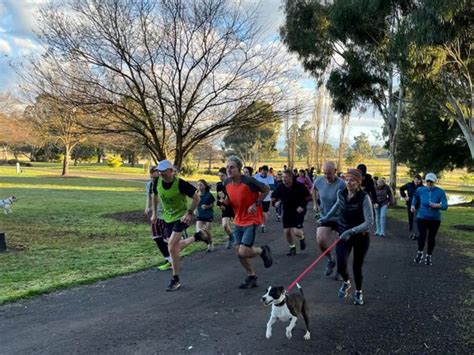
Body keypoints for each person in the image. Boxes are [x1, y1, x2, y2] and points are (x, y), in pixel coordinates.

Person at [151, 160, 211, 291]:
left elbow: (197, 198)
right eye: (159, 171)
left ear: (171, 171)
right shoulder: (157, 181)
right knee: (174, 248)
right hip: (167, 218)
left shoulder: (181, 184)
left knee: (171, 247)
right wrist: (154, 213)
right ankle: (197, 236)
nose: (161, 174)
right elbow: (154, 196)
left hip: (181, 216)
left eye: (164, 171)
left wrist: (189, 213)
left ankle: (175, 279)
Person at [319, 169, 373, 305]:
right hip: (343, 234)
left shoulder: (364, 197)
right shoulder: (341, 193)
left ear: (358, 182)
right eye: (347, 180)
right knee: (341, 265)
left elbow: (369, 222)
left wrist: (351, 231)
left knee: (357, 266)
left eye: (352, 180)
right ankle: (346, 282)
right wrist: (325, 217)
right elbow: (336, 206)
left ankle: (359, 292)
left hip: (360, 236)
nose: (348, 183)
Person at [219, 155, 273, 289]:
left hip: (251, 219)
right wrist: (224, 203)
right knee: (239, 252)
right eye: (227, 167)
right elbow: (231, 199)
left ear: (239, 169)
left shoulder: (249, 181)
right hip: (238, 220)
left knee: (243, 251)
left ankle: (262, 250)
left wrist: (256, 203)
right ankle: (251, 276)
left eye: (232, 167)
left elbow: (266, 189)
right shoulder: (226, 183)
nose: (229, 170)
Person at [313, 161, 346, 277]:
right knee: (321, 239)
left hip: (340, 217)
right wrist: (315, 203)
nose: (327, 176)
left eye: (329, 173)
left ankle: (341, 271)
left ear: (335, 171)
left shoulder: (342, 184)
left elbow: (338, 203)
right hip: (325, 215)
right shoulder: (319, 181)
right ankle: (330, 259)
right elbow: (314, 189)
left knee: (340, 244)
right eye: (325, 173)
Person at [271, 169, 311, 256]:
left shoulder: (299, 186)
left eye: (286, 177)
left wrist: (302, 206)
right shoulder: (280, 187)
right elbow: (273, 197)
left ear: (291, 177)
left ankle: (302, 238)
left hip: (298, 210)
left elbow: (308, 197)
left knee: (296, 231)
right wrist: (275, 203)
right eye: (282, 177)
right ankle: (292, 247)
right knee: (287, 232)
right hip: (287, 211)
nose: (283, 179)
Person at [411, 173, 448, 266]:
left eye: (431, 181)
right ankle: (420, 253)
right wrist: (412, 205)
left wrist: (438, 205)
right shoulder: (420, 189)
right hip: (422, 217)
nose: (429, 183)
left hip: (435, 219)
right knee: (421, 236)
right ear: (425, 181)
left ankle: (429, 256)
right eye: (427, 181)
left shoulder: (440, 192)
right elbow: (415, 197)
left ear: (435, 181)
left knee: (431, 238)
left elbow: (445, 206)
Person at [145, 166, 172, 271]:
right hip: (156, 215)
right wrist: (147, 207)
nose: (153, 180)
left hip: (166, 215)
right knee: (156, 237)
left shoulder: (164, 184)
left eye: (155, 178)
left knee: (167, 239)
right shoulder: (149, 184)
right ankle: (168, 259)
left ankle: (171, 259)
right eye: (151, 178)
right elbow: (149, 197)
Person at [400, 174, 423, 239]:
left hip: (418, 205)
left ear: (420, 180)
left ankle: (416, 234)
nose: (417, 181)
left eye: (418, 179)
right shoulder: (409, 185)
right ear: (413, 179)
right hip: (409, 204)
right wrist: (404, 196)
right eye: (415, 179)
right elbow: (401, 188)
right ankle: (411, 232)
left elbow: (420, 197)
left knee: (416, 219)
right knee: (410, 219)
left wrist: (410, 198)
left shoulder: (422, 187)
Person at [216, 167, 234, 248]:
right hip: (226, 207)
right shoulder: (219, 185)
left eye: (222, 176)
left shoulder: (233, 184)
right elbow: (219, 197)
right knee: (225, 226)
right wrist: (221, 205)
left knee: (239, 225)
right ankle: (231, 236)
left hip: (235, 207)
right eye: (219, 176)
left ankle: (242, 241)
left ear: (227, 175)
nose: (220, 177)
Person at [254, 165, 275, 233]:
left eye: (265, 173)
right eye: (262, 173)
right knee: (256, 211)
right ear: (261, 171)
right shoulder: (256, 176)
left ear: (267, 172)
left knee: (264, 212)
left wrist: (262, 187)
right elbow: (253, 185)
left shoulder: (270, 177)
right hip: (257, 197)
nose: (263, 174)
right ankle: (256, 223)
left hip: (266, 198)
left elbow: (271, 187)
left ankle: (263, 225)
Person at [196, 179, 215, 252]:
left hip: (208, 215)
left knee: (207, 231)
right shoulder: (196, 194)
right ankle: (207, 242)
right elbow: (194, 203)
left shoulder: (209, 194)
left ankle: (210, 244)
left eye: (201, 185)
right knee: (199, 231)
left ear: (205, 186)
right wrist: (194, 209)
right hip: (200, 215)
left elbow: (213, 204)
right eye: (198, 185)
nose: (199, 187)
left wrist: (207, 206)